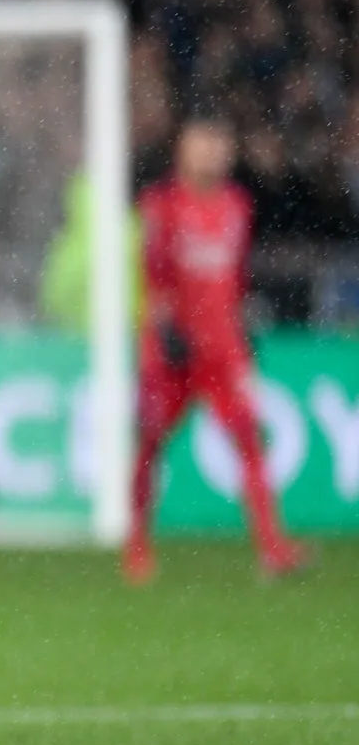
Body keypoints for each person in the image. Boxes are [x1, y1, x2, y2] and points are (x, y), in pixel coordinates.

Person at [126, 116, 309, 583]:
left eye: (219, 146)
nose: (212, 154)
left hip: (224, 351)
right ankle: (137, 544)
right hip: (172, 353)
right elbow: (152, 273)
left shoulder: (237, 205)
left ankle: (272, 548)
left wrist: (240, 328)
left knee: (250, 440)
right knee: (148, 445)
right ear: (181, 152)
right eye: (202, 146)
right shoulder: (161, 206)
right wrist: (165, 330)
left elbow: (235, 277)